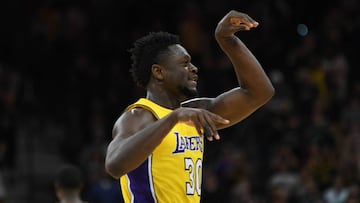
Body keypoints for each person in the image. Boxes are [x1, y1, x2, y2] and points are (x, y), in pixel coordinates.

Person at [105, 10, 275, 203]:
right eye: (184, 63)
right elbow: (114, 166)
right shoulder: (139, 115)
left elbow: (259, 93)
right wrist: (173, 118)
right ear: (159, 72)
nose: (194, 68)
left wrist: (227, 40)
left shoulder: (195, 112)